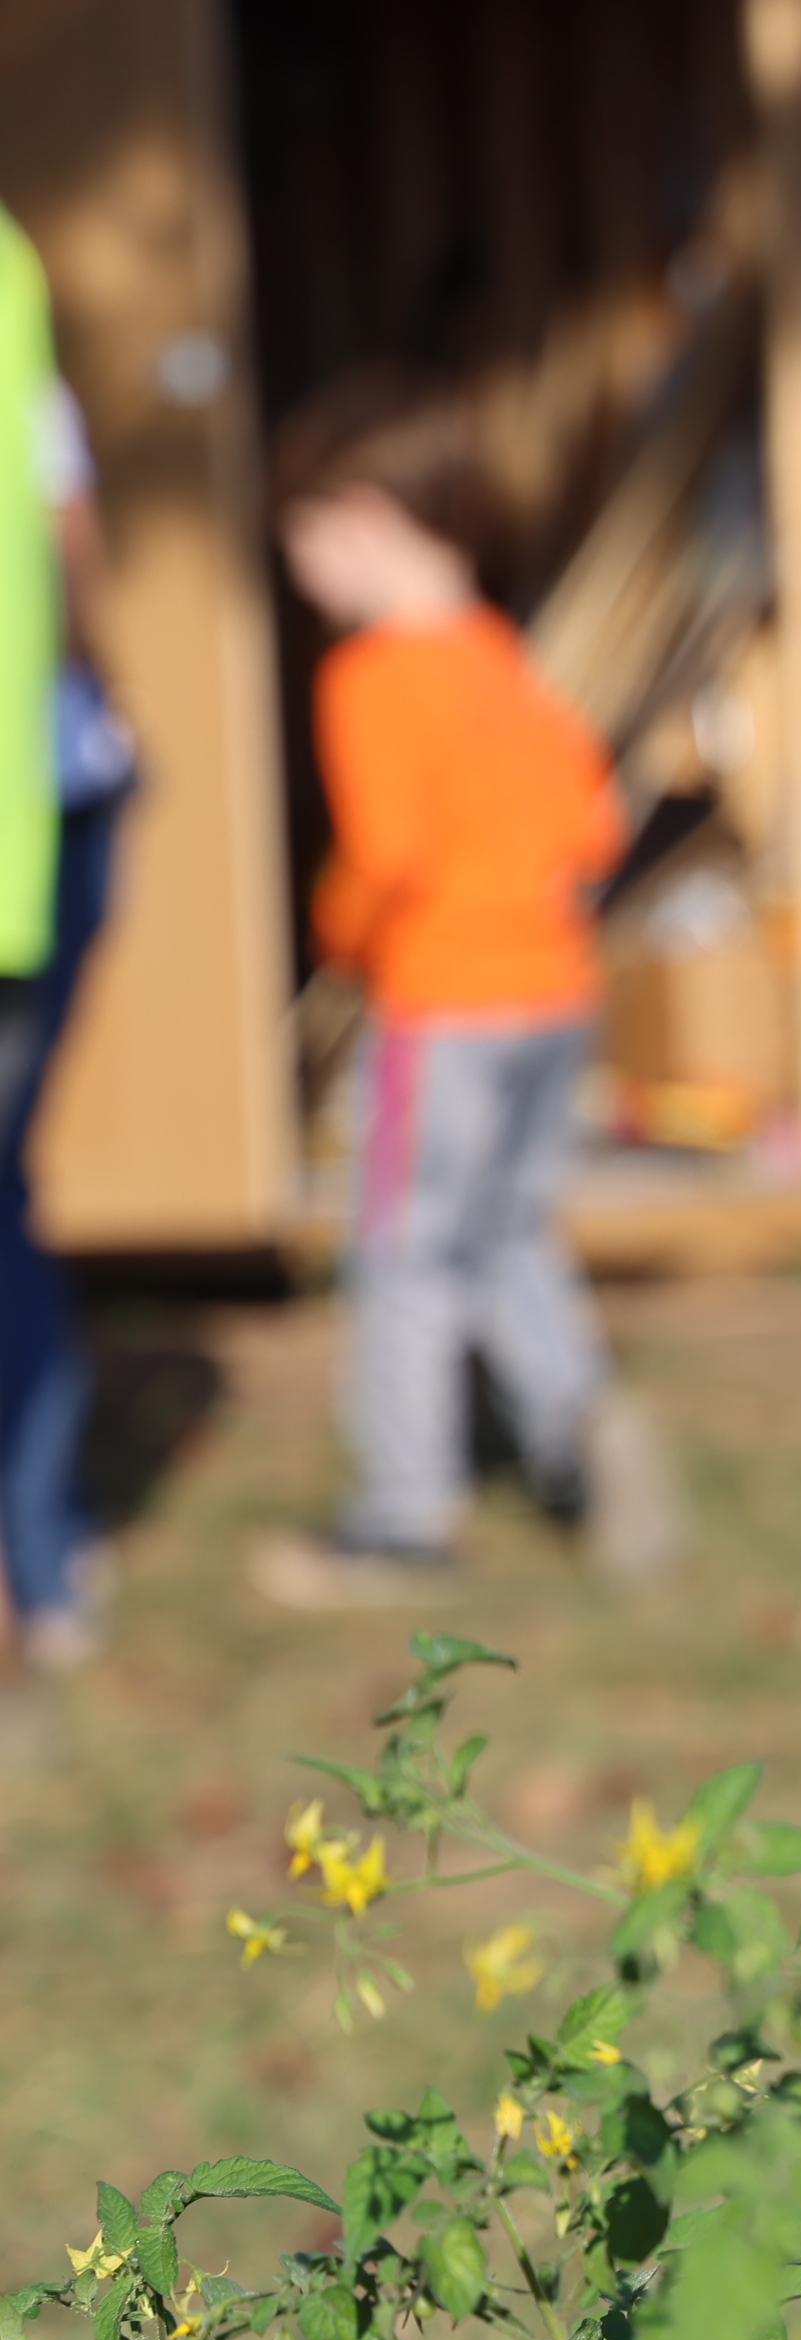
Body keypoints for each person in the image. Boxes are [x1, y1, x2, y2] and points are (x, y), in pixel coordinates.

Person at [248, 370, 627, 1609]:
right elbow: (595, 823)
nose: (304, 581)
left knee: (403, 1254)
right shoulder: (501, 655)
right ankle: (592, 1443)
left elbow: (388, 854)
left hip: (442, 1006)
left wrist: (334, 925)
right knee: (509, 1228)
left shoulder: (366, 679)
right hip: (554, 992)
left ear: (359, 520)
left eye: (302, 546)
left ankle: (405, 1517)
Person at [0, 206, 133, 1680]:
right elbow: (66, 521)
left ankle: (37, 1567)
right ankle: (48, 1560)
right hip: (44, 813)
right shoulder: (10, 272)